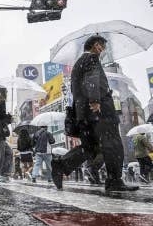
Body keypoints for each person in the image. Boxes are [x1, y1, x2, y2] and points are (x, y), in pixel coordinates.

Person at [51, 35, 139, 191]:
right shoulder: (92, 58)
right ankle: (114, 180)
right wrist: (95, 100)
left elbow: (76, 90)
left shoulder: (78, 63)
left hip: (84, 113)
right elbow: (92, 79)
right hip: (99, 110)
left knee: (91, 147)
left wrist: (86, 106)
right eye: (102, 47)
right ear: (96, 45)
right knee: (112, 142)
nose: (103, 51)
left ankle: (62, 165)